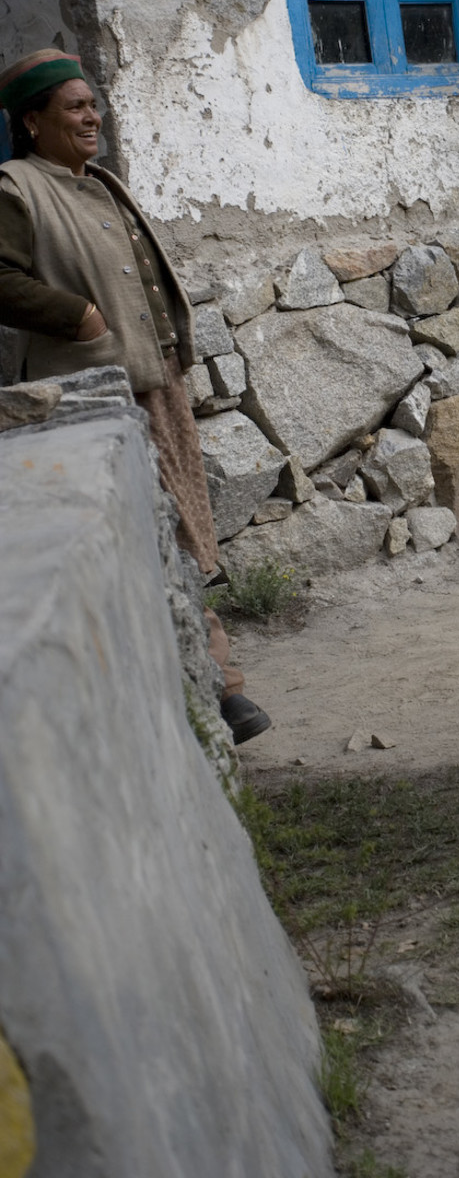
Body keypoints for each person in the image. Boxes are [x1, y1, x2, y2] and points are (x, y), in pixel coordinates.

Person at [0, 48, 271, 745]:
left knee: (179, 531)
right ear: (32, 122)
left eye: (93, 104)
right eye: (74, 107)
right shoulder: (17, 186)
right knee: (149, 538)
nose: (92, 116)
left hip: (154, 385)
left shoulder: (99, 181)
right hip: (94, 392)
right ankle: (217, 692)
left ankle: (213, 688)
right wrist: (77, 315)